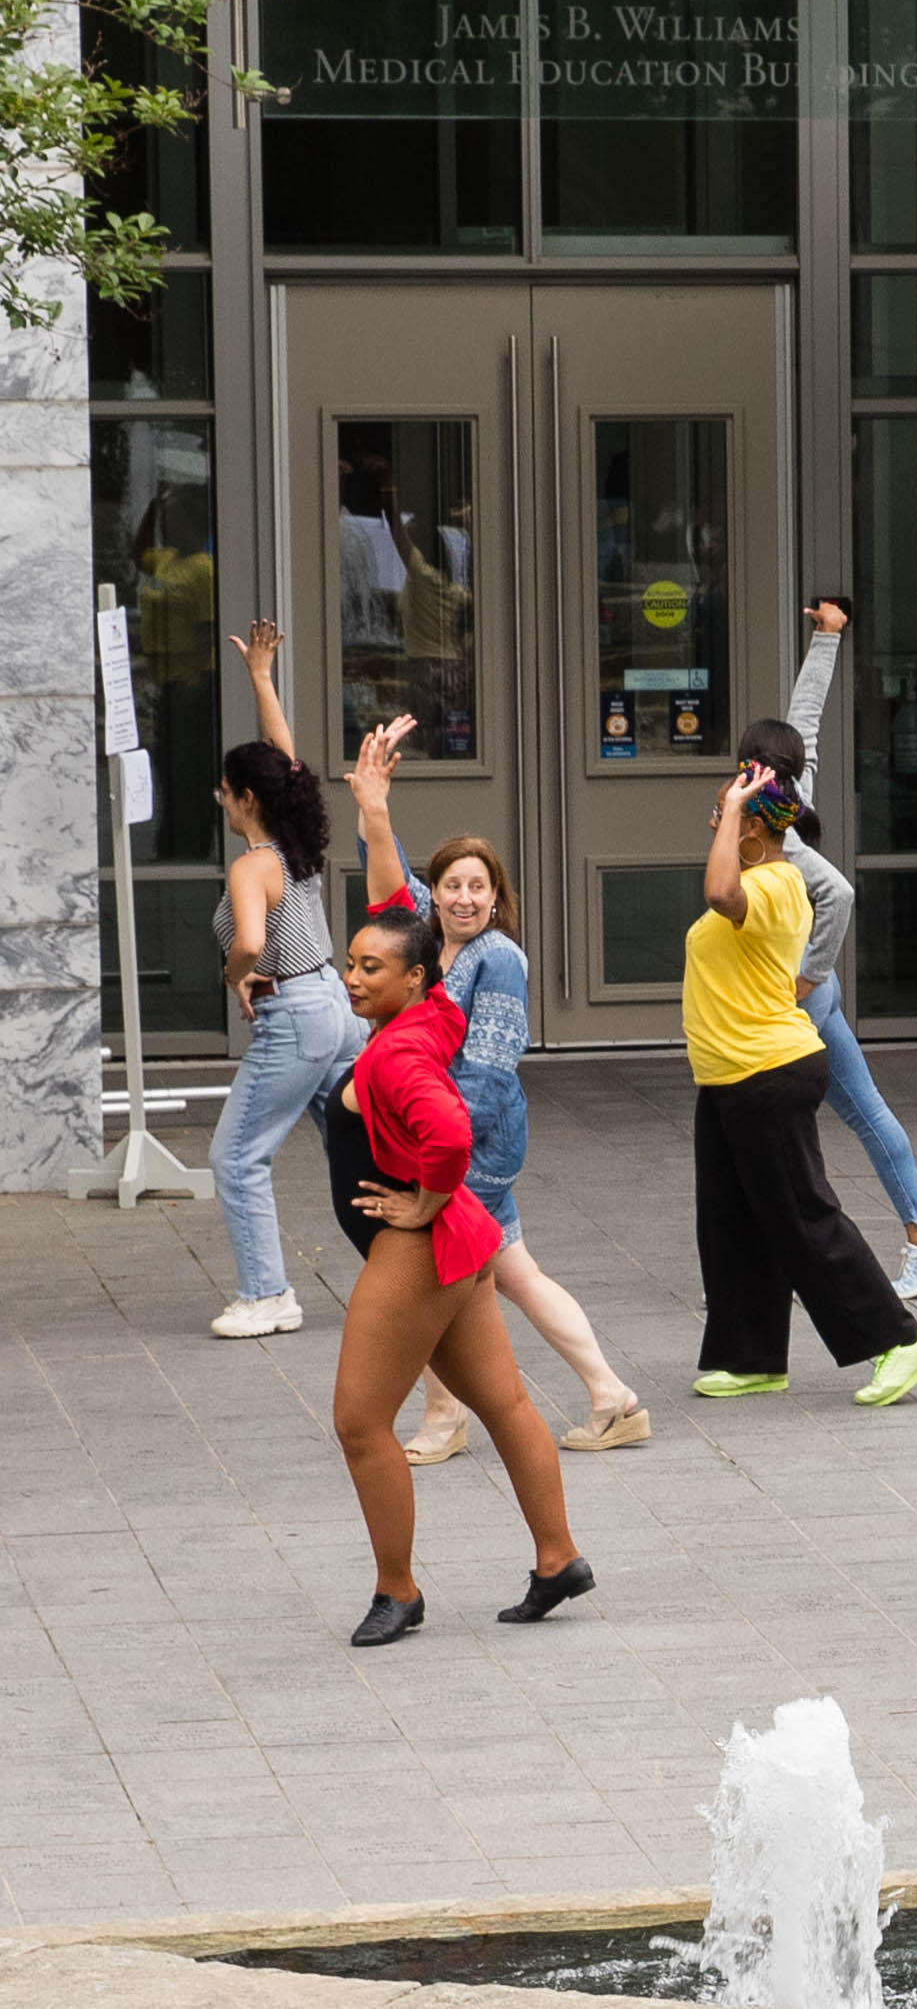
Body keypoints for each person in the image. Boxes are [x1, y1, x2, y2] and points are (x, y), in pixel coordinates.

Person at [351, 722, 648, 1460]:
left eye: (477, 886)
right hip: (450, 1136)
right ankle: (612, 1396)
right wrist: (375, 806)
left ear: (495, 896)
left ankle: (446, 1414)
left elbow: (487, 1071)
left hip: (469, 1141)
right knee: (513, 1270)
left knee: (427, 1267)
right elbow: (386, 882)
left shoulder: (499, 959)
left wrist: (433, 1166)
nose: (462, 896)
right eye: (451, 883)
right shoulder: (423, 936)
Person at [323, 905, 592, 1647]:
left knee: (358, 1422)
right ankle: (557, 1558)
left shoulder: (399, 1053)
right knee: (503, 1402)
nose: (351, 976)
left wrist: (426, 1203)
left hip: (422, 1251)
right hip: (464, 1241)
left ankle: (397, 1590)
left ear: (414, 978)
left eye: (369, 968)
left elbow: (449, 1132)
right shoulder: (434, 1012)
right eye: (350, 961)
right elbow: (397, 914)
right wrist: (376, 820)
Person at [685, 759, 917, 1406]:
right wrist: (736, 810)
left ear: (753, 832)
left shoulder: (778, 884)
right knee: (731, 1222)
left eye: (723, 818)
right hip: (727, 1075)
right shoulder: (757, 873)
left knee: (804, 1218)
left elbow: (720, 893)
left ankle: (901, 1339)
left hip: (769, 1073)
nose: (714, 825)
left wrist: (738, 811)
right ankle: (749, 1355)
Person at [752, 600, 917, 1299]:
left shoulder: (776, 837)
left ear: (756, 773)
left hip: (796, 1009)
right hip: (812, 1003)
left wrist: (806, 978)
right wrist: (828, 637)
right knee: (862, 1113)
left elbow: (839, 893)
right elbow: (804, 720)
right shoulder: (791, 787)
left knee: (767, 1136)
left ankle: (779, 1261)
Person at [204, 620, 364, 1340]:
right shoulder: (293, 839)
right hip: (333, 1000)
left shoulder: (249, 865)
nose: (218, 796)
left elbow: (249, 942)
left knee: (235, 1155)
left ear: (243, 799)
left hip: (296, 1015)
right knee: (357, 1142)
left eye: (224, 789)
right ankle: (412, 1266)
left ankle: (268, 1294)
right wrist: (261, 678)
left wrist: (234, 975)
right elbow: (288, 766)